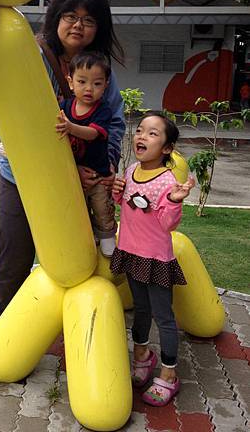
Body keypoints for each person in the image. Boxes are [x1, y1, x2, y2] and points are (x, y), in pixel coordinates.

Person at [0, 0, 125, 318]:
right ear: (56, 18)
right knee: (15, 249)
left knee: (76, 254)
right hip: (23, 175)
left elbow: (115, 125)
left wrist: (103, 168)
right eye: (70, 16)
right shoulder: (32, 56)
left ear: (99, 28)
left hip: (83, 182)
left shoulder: (100, 70)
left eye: (89, 20)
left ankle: (72, 320)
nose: (78, 25)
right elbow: (25, 121)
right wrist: (68, 168)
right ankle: (7, 321)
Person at [110, 112, 194, 407]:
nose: (142, 136)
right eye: (140, 130)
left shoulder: (167, 180)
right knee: (141, 309)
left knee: (163, 316)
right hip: (131, 253)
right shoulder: (132, 169)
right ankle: (143, 355)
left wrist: (173, 201)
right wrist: (117, 192)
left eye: (153, 133)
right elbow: (127, 207)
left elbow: (168, 224)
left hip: (155, 259)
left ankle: (169, 375)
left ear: (167, 148)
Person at [56, 51, 117, 256]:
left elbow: (93, 134)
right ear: (70, 82)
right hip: (73, 174)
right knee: (78, 210)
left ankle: (107, 237)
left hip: (98, 174)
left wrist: (70, 127)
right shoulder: (64, 107)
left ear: (106, 84)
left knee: (102, 208)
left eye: (97, 83)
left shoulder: (103, 110)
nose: (89, 88)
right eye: (82, 82)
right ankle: (89, 235)